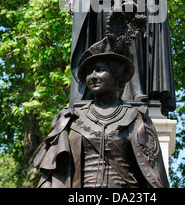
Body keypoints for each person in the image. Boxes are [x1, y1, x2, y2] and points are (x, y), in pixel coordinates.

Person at [33, 32, 170, 188]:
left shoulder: (136, 118)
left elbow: (154, 174)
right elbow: (51, 174)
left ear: (116, 74)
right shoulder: (71, 120)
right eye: (89, 72)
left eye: (99, 70)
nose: (93, 76)